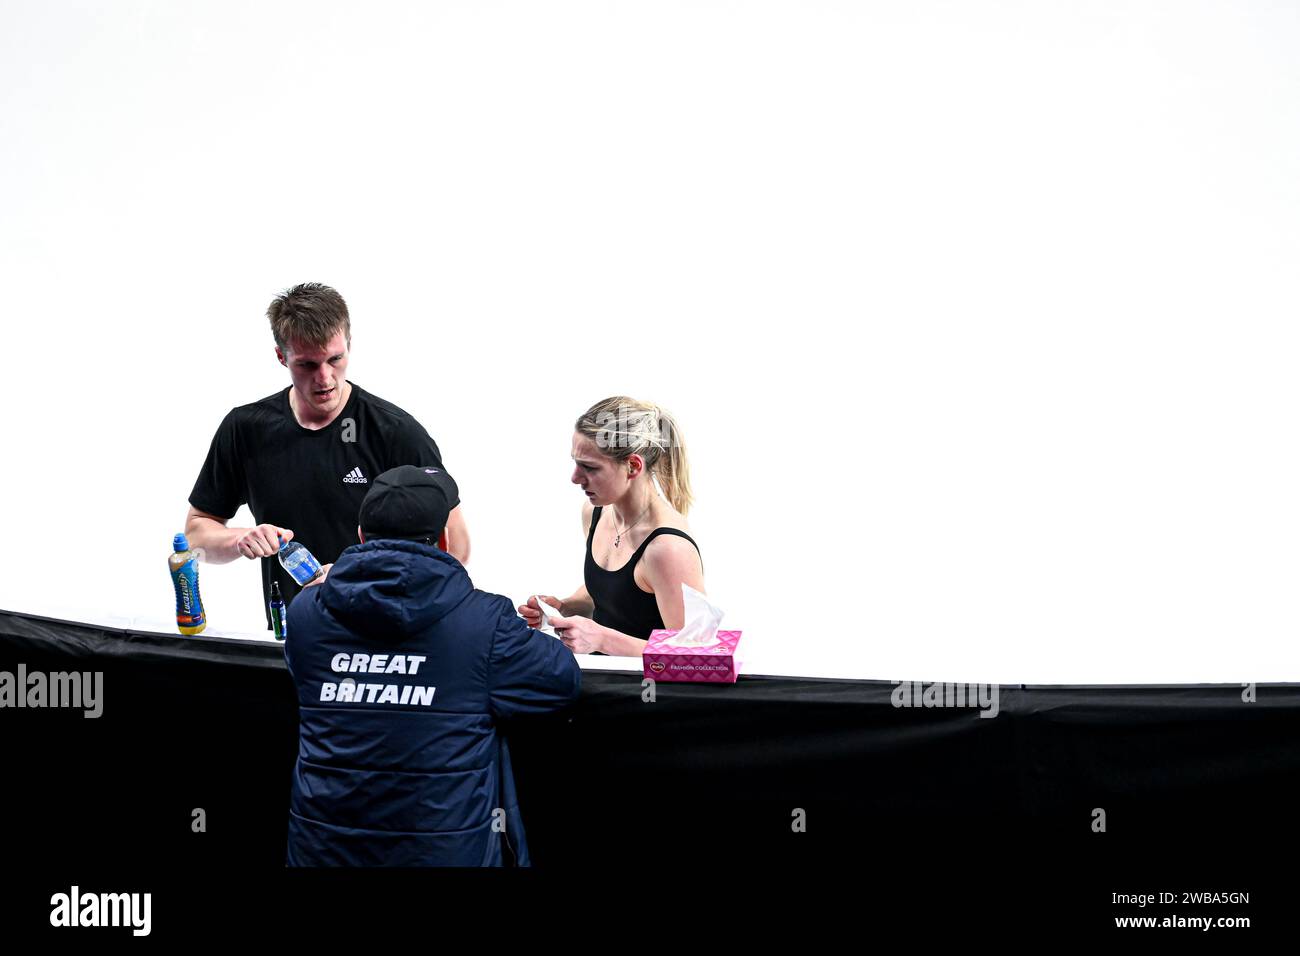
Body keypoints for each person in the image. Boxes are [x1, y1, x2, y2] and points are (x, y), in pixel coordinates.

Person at [283, 465, 580, 866]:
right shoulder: (484, 622)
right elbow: (560, 682)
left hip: (321, 854)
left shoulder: (306, 615)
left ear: (360, 536)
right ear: (443, 540)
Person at [183, 282, 470, 628]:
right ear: (281, 356)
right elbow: (197, 534)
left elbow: (456, 546)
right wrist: (240, 539)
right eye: (307, 365)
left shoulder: (394, 431)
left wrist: (364, 580)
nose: (325, 378)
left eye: (335, 359)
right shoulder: (245, 428)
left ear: (349, 343)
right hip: (296, 638)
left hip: (386, 637)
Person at [519, 396, 705, 656]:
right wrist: (564, 608)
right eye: (575, 462)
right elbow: (610, 596)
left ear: (633, 466)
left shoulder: (668, 549)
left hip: (648, 692)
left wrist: (602, 640)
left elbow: (696, 655)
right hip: (606, 679)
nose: (575, 478)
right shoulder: (595, 514)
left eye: (590, 467)